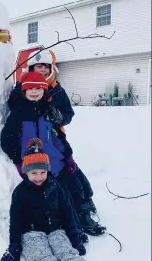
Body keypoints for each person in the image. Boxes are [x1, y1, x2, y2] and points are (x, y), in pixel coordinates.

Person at [8, 50, 105, 235]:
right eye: (39, 66)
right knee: (56, 180)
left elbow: (68, 115)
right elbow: (14, 112)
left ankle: (85, 203)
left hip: (54, 137)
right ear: (31, 68)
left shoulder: (58, 90)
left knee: (73, 172)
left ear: (52, 69)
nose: (43, 70)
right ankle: (71, 213)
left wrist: (57, 116)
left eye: (46, 66)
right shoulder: (22, 89)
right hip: (32, 142)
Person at [0, 139, 105, 261]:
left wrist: (75, 237)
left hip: (56, 230)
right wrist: (14, 245)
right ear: (25, 172)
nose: (39, 177)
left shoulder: (56, 186)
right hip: (32, 234)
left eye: (42, 172)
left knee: (67, 252)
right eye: (33, 173)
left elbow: (68, 212)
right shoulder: (20, 192)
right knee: (41, 258)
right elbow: (16, 220)